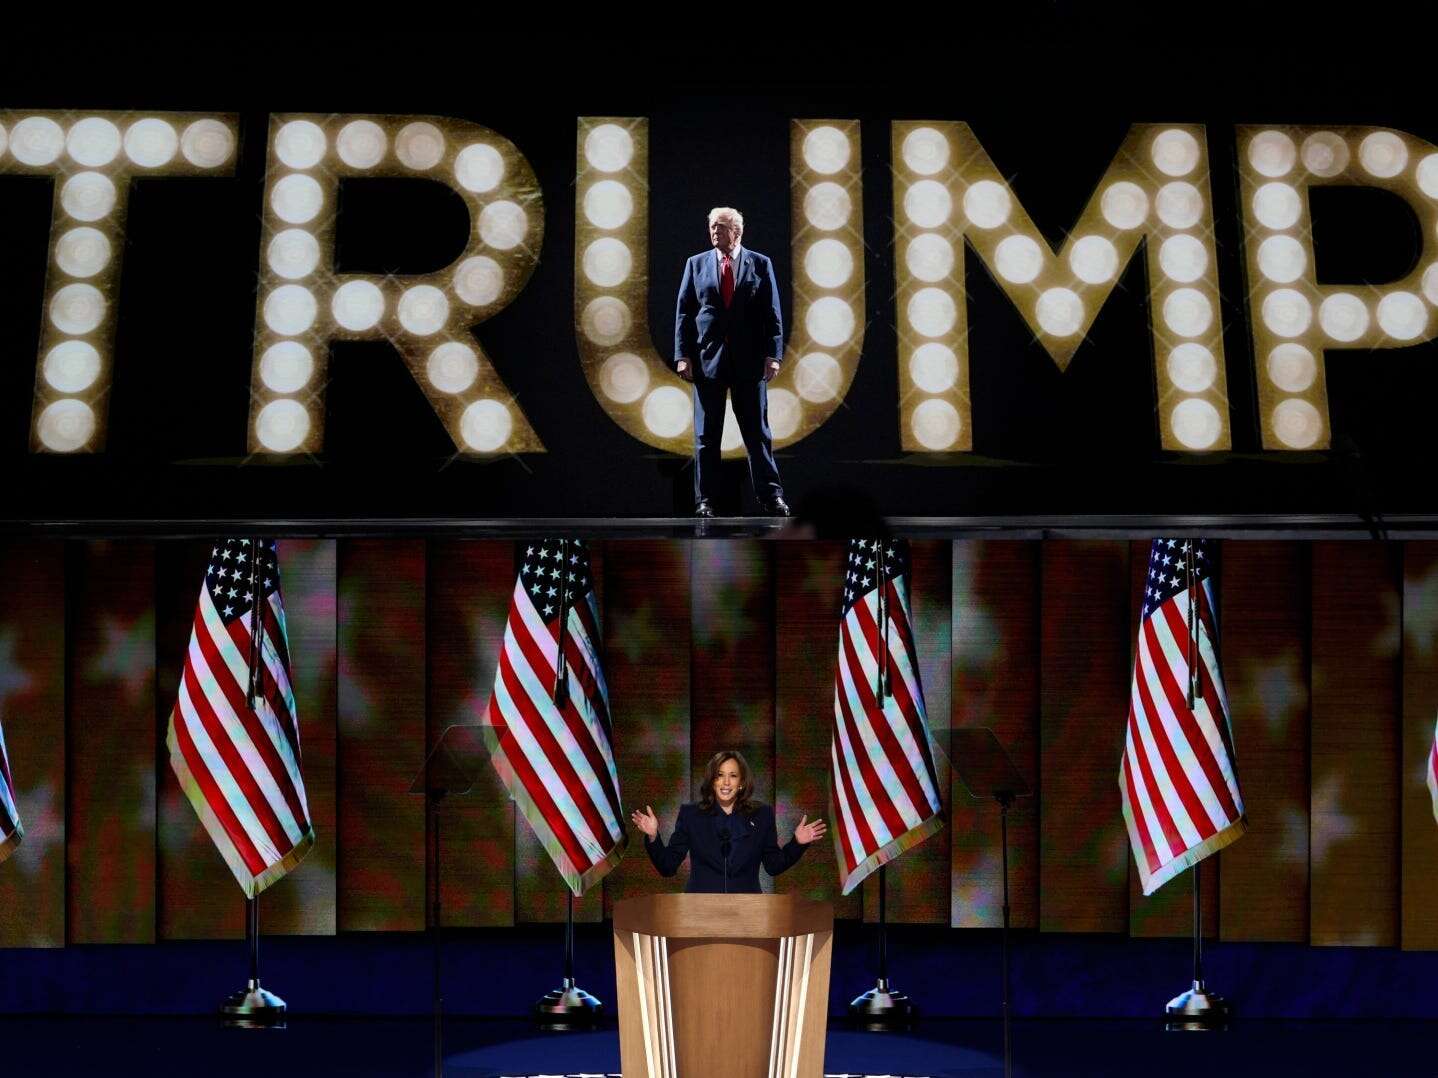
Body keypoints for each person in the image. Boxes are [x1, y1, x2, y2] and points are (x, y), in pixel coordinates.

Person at [673, 207, 791, 519]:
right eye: (712, 226)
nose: (714, 232)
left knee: (757, 434)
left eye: (721, 227)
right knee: (706, 437)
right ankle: (706, 501)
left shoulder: (760, 264)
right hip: (707, 362)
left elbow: (772, 313)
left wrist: (773, 355)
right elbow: (684, 312)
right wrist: (682, 355)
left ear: (736, 232)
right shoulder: (695, 264)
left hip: (749, 362)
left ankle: (771, 497)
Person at [630, 750, 826, 894]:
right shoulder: (691, 815)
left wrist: (797, 843)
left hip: (747, 912)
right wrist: (654, 836)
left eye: (732, 776)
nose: (725, 782)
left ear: (741, 783)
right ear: (712, 781)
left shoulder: (762, 814)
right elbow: (668, 867)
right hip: (699, 912)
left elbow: (773, 866)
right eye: (720, 775)